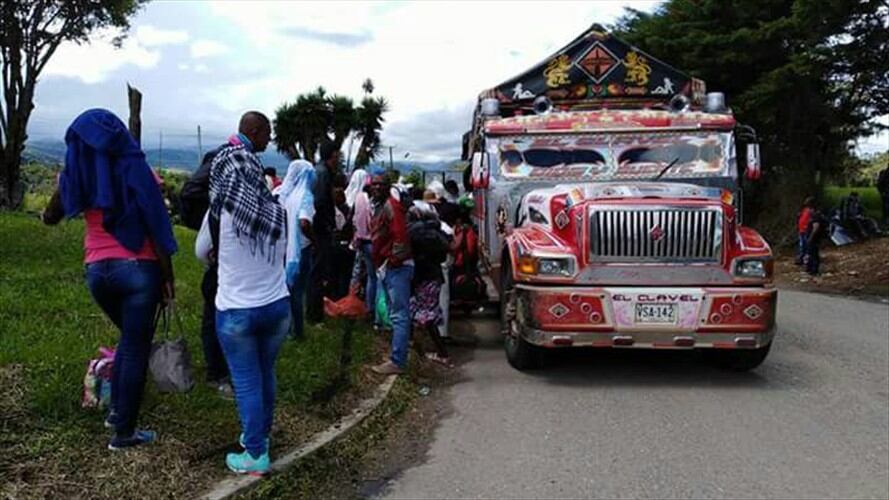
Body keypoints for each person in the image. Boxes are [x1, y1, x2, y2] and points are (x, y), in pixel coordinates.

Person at [42, 109, 177, 450]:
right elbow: (156, 223)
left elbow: (51, 215)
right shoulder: (137, 169)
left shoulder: (75, 174)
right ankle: (123, 432)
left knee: (132, 342)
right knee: (135, 346)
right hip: (137, 268)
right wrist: (167, 275)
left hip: (96, 273)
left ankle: (116, 413)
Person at [206, 111, 290, 475]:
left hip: (237, 312)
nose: (269, 139)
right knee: (265, 372)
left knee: (246, 382)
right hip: (277, 309)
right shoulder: (278, 211)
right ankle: (262, 435)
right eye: (266, 134)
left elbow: (199, 253)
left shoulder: (223, 211)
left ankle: (255, 453)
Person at [181, 141, 232, 396]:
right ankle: (217, 373)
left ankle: (221, 368)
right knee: (214, 318)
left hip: (222, 268)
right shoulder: (218, 205)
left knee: (218, 316)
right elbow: (203, 248)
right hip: (219, 269)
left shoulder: (221, 202)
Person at [369, 168, 414, 375]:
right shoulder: (381, 206)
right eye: (374, 184)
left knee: (399, 315)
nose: (376, 187)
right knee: (397, 314)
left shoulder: (391, 207)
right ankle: (398, 355)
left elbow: (400, 235)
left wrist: (393, 260)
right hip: (389, 266)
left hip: (396, 267)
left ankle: (397, 361)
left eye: (380, 184)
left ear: (387, 186)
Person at [408, 202, 454, 367]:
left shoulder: (414, 232)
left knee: (426, 316)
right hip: (434, 275)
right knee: (421, 312)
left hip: (423, 276)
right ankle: (417, 347)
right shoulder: (436, 231)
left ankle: (443, 354)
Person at [275, 159, 316, 340]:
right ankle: (297, 332)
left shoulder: (289, 196)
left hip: (288, 248)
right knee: (298, 292)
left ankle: (287, 327)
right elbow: (304, 222)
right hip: (302, 249)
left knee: (289, 290)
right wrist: (315, 239)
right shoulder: (305, 195)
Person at [307, 141, 341, 323]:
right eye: (338, 155)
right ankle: (314, 315)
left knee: (318, 271)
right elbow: (319, 203)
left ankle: (315, 311)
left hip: (320, 228)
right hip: (320, 230)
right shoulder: (322, 174)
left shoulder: (321, 171)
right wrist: (327, 225)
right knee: (317, 272)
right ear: (332, 155)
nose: (339, 159)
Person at [805, 206, 828, 276]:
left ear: (813, 209)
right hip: (814, 239)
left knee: (813, 254)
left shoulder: (815, 217)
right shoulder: (815, 216)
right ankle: (811, 269)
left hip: (814, 239)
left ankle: (814, 270)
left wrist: (810, 238)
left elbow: (815, 228)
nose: (808, 210)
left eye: (809, 209)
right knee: (812, 254)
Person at [796, 197, 815, 266]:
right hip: (801, 230)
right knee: (801, 245)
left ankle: (805, 260)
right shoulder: (804, 209)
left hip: (806, 230)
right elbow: (799, 217)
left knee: (806, 245)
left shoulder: (811, 211)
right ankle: (800, 258)